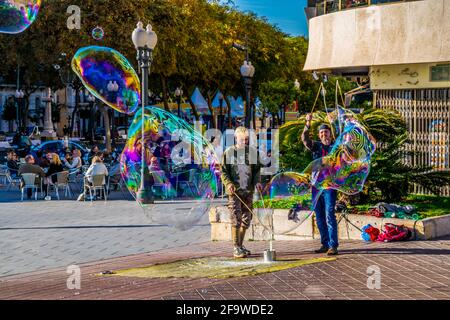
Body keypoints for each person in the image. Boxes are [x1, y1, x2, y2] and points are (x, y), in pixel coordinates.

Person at [221, 127, 262, 259]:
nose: (244, 142)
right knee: (236, 219)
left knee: (246, 219)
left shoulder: (252, 153)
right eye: (241, 139)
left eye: (246, 139)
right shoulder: (228, 153)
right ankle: (235, 247)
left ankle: (240, 245)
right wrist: (228, 184)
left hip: (248, 191)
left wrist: (257, 182)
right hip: (235, 192)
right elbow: (223, 171)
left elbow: (256, 170)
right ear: (235, 138)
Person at [301, 113, 339, 256]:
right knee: (319, 215)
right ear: (319, 135)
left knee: (329, 214)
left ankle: (333, 245)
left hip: (329, 186)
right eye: (322, 132)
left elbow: (343, 140)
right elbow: (305, 139)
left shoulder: (335, 147)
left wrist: (333, 123)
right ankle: (324, 243)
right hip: (316, 185)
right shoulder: (316, 146)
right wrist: (308, 122)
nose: (324, 134)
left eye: (326, 132)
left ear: (330, 134)